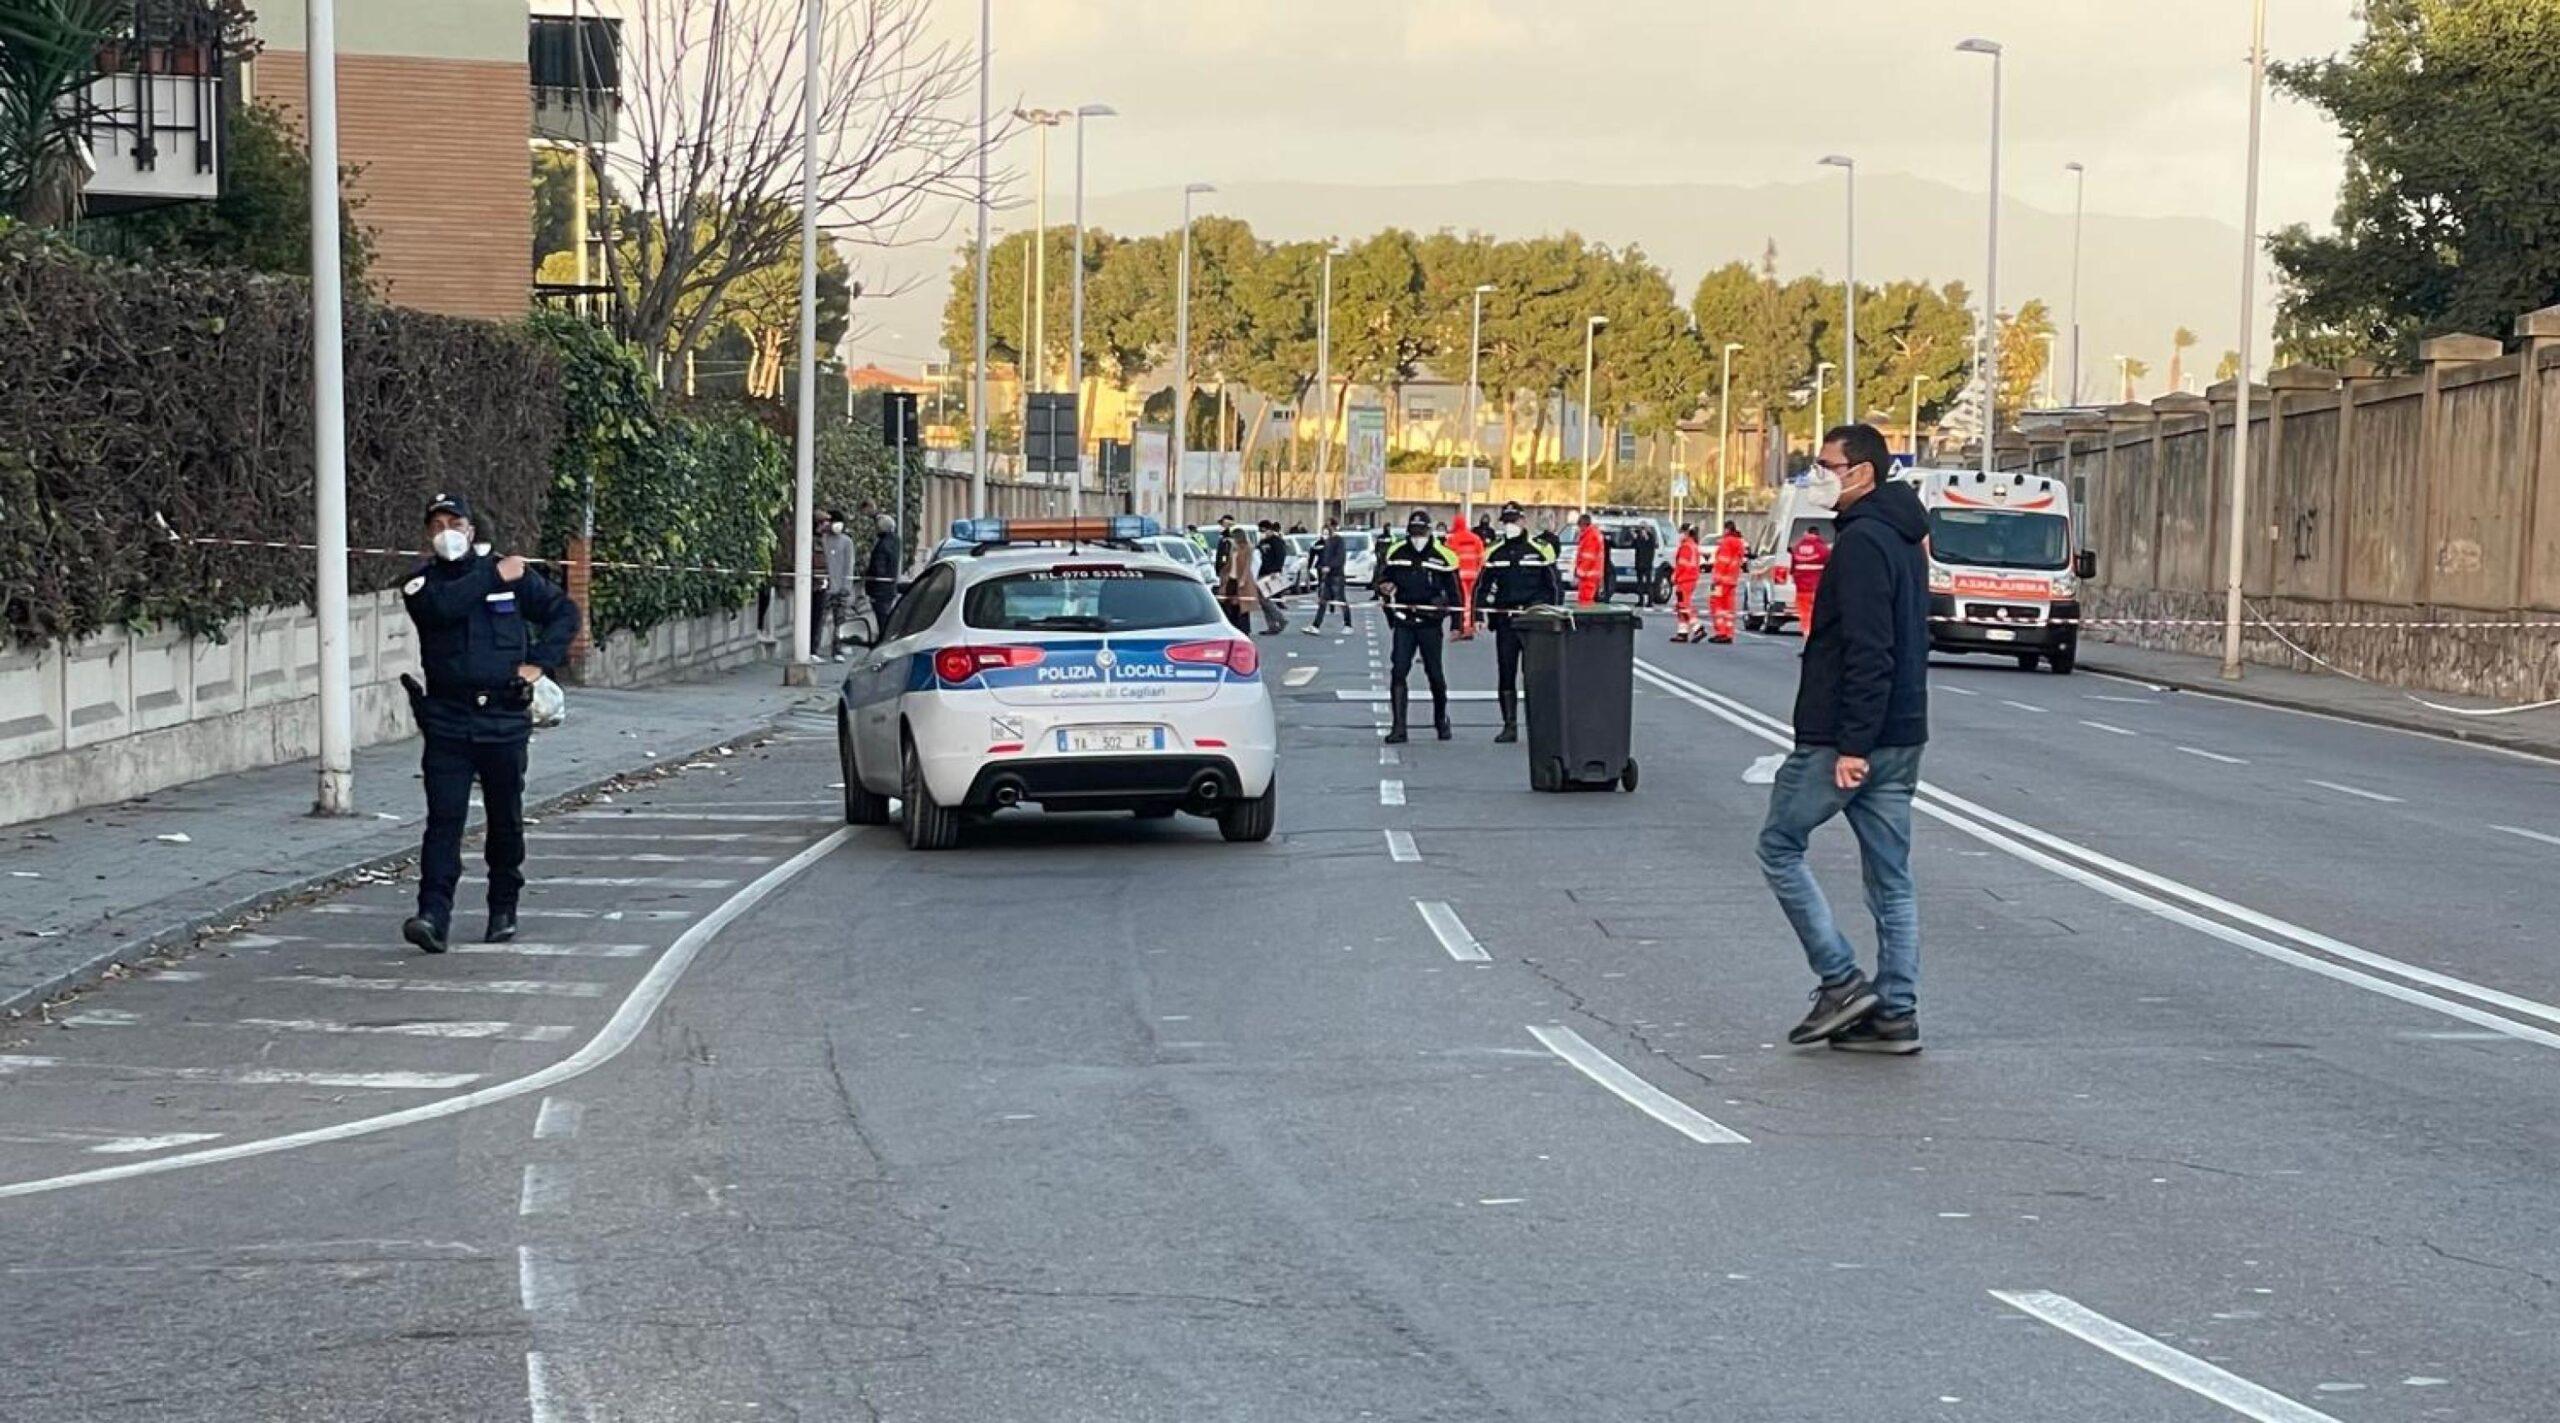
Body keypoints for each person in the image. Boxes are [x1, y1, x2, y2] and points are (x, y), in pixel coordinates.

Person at [1758, 424, 1931, 1055]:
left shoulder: (1861, 545)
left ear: (1861, 472)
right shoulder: (1907, 537)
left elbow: (1869, 649)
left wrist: (1853, 745)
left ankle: (1839, 980)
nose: (1816, 475)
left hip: (1847, 739)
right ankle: (1896, 1013)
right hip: (1904, 732)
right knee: (1891, 878)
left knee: (1778, 845)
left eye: (1825, 465)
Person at [399, 494, 580, 955]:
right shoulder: (423, 585)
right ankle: (432, 915)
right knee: (444, 820)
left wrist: (538, 664)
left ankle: (503, 907)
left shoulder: (510, 579)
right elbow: (445, 609)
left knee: (505, 819)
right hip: (447, 718)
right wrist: (493, 574)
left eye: (454, 522)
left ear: (471, 529)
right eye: (436, 524)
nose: (446, 532)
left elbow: (564, 613)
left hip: (503, 716)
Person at [1472, 500, 1559, 743]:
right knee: (1506, 672)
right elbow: (1482, 587)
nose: (1510, 526)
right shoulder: (1494, 551)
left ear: (1523, 521)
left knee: (1535, 675)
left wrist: (1551, 615)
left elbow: (1553, 587)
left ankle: (1539, 726)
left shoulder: (1541, 549)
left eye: (1513, 522)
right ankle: (1509, 725)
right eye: (1506, 522)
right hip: (1506, 621)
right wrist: (1478, 615)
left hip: (1533, 622)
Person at [1374, 508, 1458, 743]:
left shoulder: (1444, 556)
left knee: (1435, 674)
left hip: (1430, 623)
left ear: (1429, 531)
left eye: (1420, 532)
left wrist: (1457, 623)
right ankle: (1399, 727)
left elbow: (1455, 593)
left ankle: (1441, 720)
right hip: (1404, 621)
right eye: (1413, 532)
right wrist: (1384, 586)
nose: (1416, 537)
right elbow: (1382, 578)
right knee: (1399, 671)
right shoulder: (1397, 552)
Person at [819, 511, 856, 660]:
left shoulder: (846, 541)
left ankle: (838, 650)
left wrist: (847, 585)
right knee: (820, 619)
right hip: (826, 587)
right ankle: (813, 648)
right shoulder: (824, 540)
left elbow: (849, 564)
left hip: (840, 588)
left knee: (839, 621)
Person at [1303, 522, 1350, 634]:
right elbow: (1322, 556)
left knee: (1341, 600)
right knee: (1323, 601)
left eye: (1326, 533)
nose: (1324, 535)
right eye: (1323, 533)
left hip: (1337, 575)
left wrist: (1330, 566)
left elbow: (1340, 557)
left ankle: (1348, 624)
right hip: (1327, 576)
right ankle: (1316, 625)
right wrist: (1320, 566)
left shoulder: (1338, 541)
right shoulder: (1326, 543)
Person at [1445, 516, 1486, 640]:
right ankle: (1469, 628)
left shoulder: (1452, 539)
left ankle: (1461, 627)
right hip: (1474, 573)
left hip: (1459, 574)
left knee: (1461, 601)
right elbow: (1481, 556)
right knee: (1471, 601)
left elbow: (1447, 558)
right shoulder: (1475, 538)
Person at [1791, 523, 1832, 640]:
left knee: (1804, 613)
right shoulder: (1823, 549)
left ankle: (1806, 632)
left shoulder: (1797, 547)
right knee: (1818, 612)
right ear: (1818, 535)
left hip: (1801, 587)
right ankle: (1817, 634)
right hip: (1818, 587)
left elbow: (1793, 568)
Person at [1710, 520, 1748, 644]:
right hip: (1732, 580)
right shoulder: (1739, 543)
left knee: (1717, 605)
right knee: (1729, 608)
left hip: (1721, 580)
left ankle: (1720, 632)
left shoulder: (1726, 542)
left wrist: (1716, 579)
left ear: (1726, 529)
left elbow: (1722, 561)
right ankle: (1729, 633)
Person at [863, 513, 901, 631]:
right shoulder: (895, 541)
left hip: (879, 588)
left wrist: (868, 573)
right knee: (886, 616)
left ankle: (883, 640)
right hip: (889, 587)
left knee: (882, 619)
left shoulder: (882, 546)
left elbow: (878, 569)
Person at [1253, 521, 1290, 634]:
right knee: (1263, 600)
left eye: (1263, 531)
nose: (1262, 533)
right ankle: (1272, 625)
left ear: (1269, 530)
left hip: (1272, 573)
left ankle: (1280, 619)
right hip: (1262, 572)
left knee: (1264, 599)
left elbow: (1280, 556)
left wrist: (1276, 570)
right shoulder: (1262, 542)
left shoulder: (1277, 542)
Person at [1218, 526, 1256, 632]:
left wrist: (1243, 579)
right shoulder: (1232, 548)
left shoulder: (1248, 548)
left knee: (1242, 605)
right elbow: (1228, 563)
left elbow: (1247, 566)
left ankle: (1245, 629)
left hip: (1242, 580)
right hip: (1231, 578)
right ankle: (1233, 627)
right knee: (1229, 603)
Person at [1670, 524, 1703, 642]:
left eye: (1682, 532)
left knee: (1684, 606)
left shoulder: (1686, 547)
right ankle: (1682, 632)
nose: (1680, 535)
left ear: (1686, 533)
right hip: (1690, 579)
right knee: (1681, 606)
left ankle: (1698, 628)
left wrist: (1675, 576)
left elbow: (1681, 565)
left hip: (1684, 580)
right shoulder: (1693, 546)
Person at [1573, 512, 1608, 605]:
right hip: (1591, 574)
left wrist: (1579, 573)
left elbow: (1588, 558)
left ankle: (1585, 619)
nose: (1579, 530)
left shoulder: (1590, 537)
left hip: (1587, 575)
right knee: (1586, 599)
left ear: (1583, 525)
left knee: (1585, 600)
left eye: (1580, 527)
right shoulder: (1593, 534)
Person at [1631, 519, 1659, 605]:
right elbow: (1635, 546)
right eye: (1640, 528)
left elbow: (1652, 546)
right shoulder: (1638, 537)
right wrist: (1635, 538)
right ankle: (1640, 600)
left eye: (1643, 527)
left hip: (1647, 564)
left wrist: (1646, 538)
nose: (1642, 530)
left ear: (1647, 528)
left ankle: (1650, 601)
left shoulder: (1651, 537)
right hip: (1639, 563)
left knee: (1648, 583)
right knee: (1639, 584)